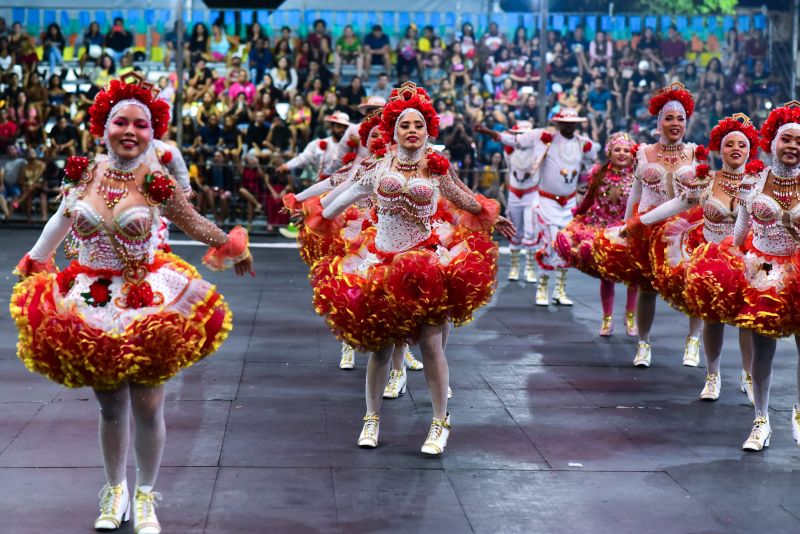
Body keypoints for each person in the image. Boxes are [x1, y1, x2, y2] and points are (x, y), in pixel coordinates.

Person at [10, 72, 253, 534]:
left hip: (146, 300)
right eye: (120, 121)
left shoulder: (157, 180)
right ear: (104, 127)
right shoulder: (83, 173)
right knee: (109, 406)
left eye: (140, 125)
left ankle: (145, 495)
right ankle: (114, 490)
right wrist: (35, 262)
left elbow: (193, 221)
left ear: (152, 131)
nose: (130, 131)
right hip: (91, 300)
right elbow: (59, 223)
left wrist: (232, 245)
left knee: (146, 404)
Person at [303, 82, 514, 454]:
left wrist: (492, 217)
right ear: (393, 130)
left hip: (426, 265)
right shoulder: (377, 166)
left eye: (418, 124)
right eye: (404, 125)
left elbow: (464, 198)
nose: (412, 130)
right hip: (381, 264)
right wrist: (316, 215)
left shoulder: (437, 168)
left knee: (432, 345)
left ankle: (439, 423)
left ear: (428, 129)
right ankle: (371, 419)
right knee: (381, 349)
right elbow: (343, 196)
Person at [683, 103, 800, 450]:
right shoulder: (753, 181)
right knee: (762, 350)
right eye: (787, 140)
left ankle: (798, 413)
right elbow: (738, 236)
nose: (793, 147)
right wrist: (731, 266)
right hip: (762, 271)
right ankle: (761, 421)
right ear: (773, 143)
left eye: (799, 142)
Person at [594, 83, 705, 368]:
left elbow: (699, 196)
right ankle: (643, 344)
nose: (675, 123)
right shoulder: (643, 153)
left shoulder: (696, 153)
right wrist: (627, 224)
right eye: (669, 118)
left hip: (685, 229)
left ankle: (693, 342)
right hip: (648, 228)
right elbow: (636, 192)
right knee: (646, 287)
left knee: (694, 286)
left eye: (680, 118)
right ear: (658, 123)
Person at [672, 115, 760, 403]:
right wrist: (638, 222)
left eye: (742, 145)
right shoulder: (705, 180)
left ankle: (748, 376)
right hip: (711, 263)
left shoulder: (761, 183)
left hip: (748, 263)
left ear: (750, 150)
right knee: (713, 320)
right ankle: (713, 376)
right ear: (718, 150)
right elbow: (677, 204)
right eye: (729, 144)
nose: (736, 149)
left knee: (748, 323)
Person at [481, 108, 598, 305]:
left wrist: (590, 182)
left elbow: (593, 161)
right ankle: (542, 289)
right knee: (550, 244)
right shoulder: (544, 138)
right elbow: (516, 141)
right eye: (565, 123)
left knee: (566, 247)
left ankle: (560, 290)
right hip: (546, 202)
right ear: (558, 124)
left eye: (573, 123)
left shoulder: (583, 144)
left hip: (568, 203)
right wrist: (491, 133)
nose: (569, 126)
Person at [556, 132, 638, 336]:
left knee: (634, 277)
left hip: (627, 230)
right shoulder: (598, 174)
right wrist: (578, 214)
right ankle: (607, 319)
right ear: (609, 152)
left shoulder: (638, 177)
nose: (622, 154)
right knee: (606, 276)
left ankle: (630, 317)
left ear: (632, 154)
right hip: (601, 229)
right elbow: (588, 199)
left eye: (626, 150)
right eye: (617, 149)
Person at [476, 120, 539, 283]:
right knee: (514, 230)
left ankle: (530, 268)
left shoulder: (539, 150)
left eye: (525, 136)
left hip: (532, 194)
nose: (521, 139)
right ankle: (515, 267)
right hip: (514, 194)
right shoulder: (509, 150)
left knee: (531, 231)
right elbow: (505, 139)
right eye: (518, 136)